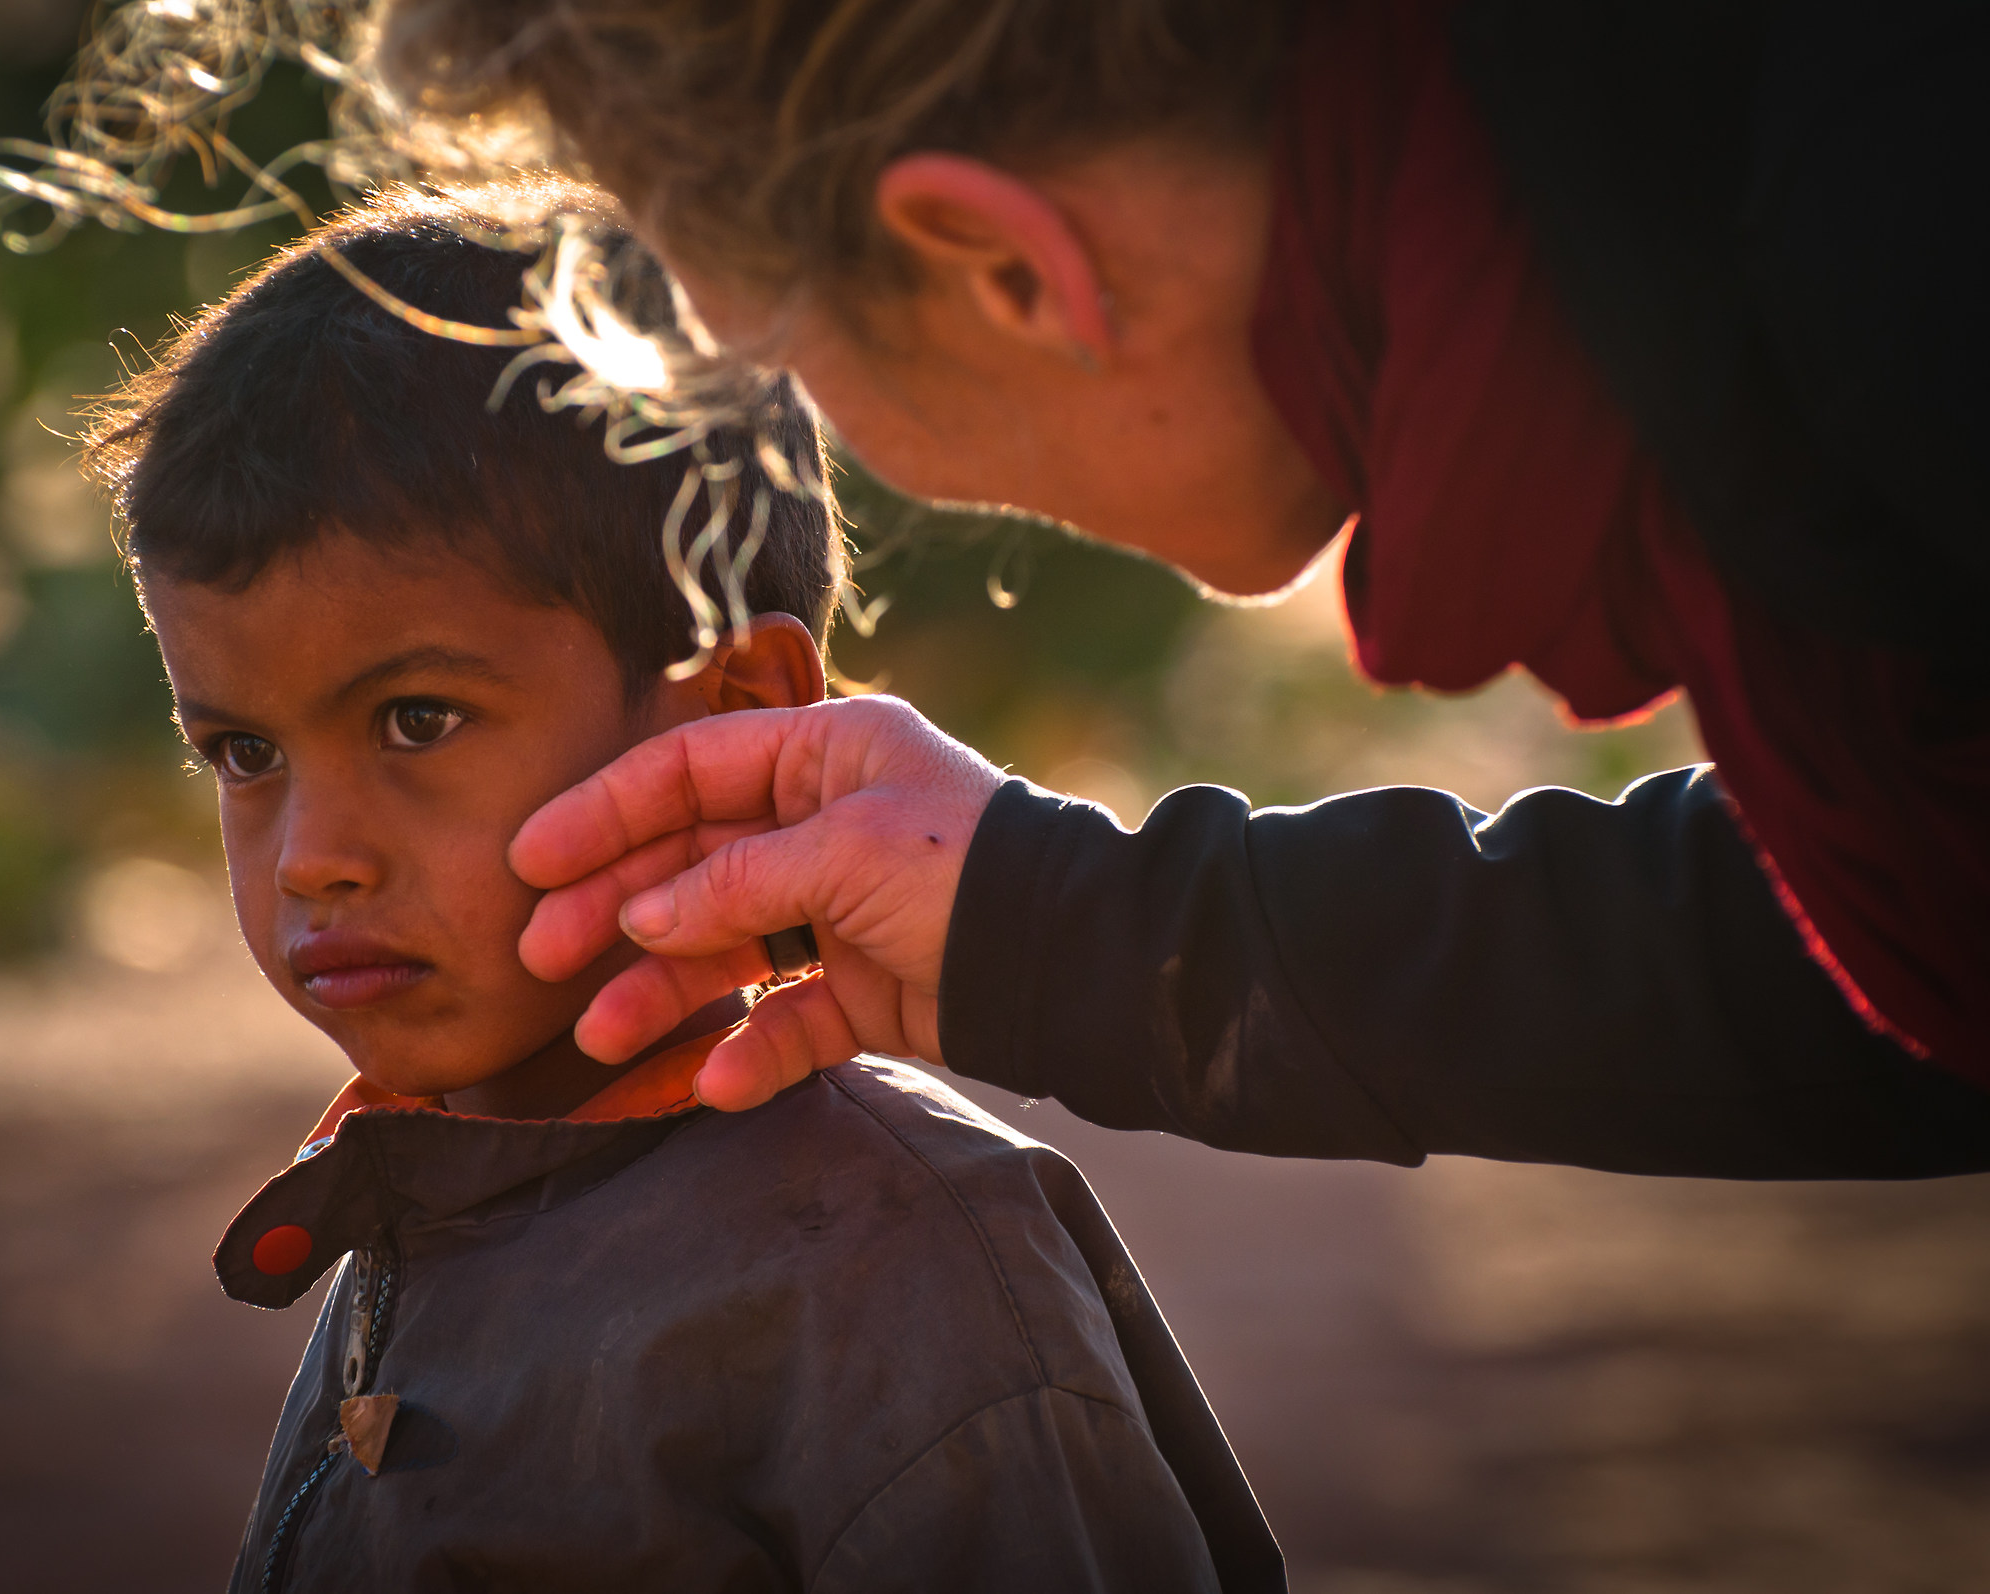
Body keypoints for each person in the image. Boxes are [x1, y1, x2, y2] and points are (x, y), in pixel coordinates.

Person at [362, 0, 1990, 1173]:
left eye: (787, 356)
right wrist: (1047, 927)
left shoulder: (1894, 224)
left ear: (1010, 267)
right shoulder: (1711, 169)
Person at [91, 189, 1285, 1593]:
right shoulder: (436, 1183)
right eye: (243, 752)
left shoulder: (894, 1272)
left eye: (416, 720)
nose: (310, 855)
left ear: (733, 721)